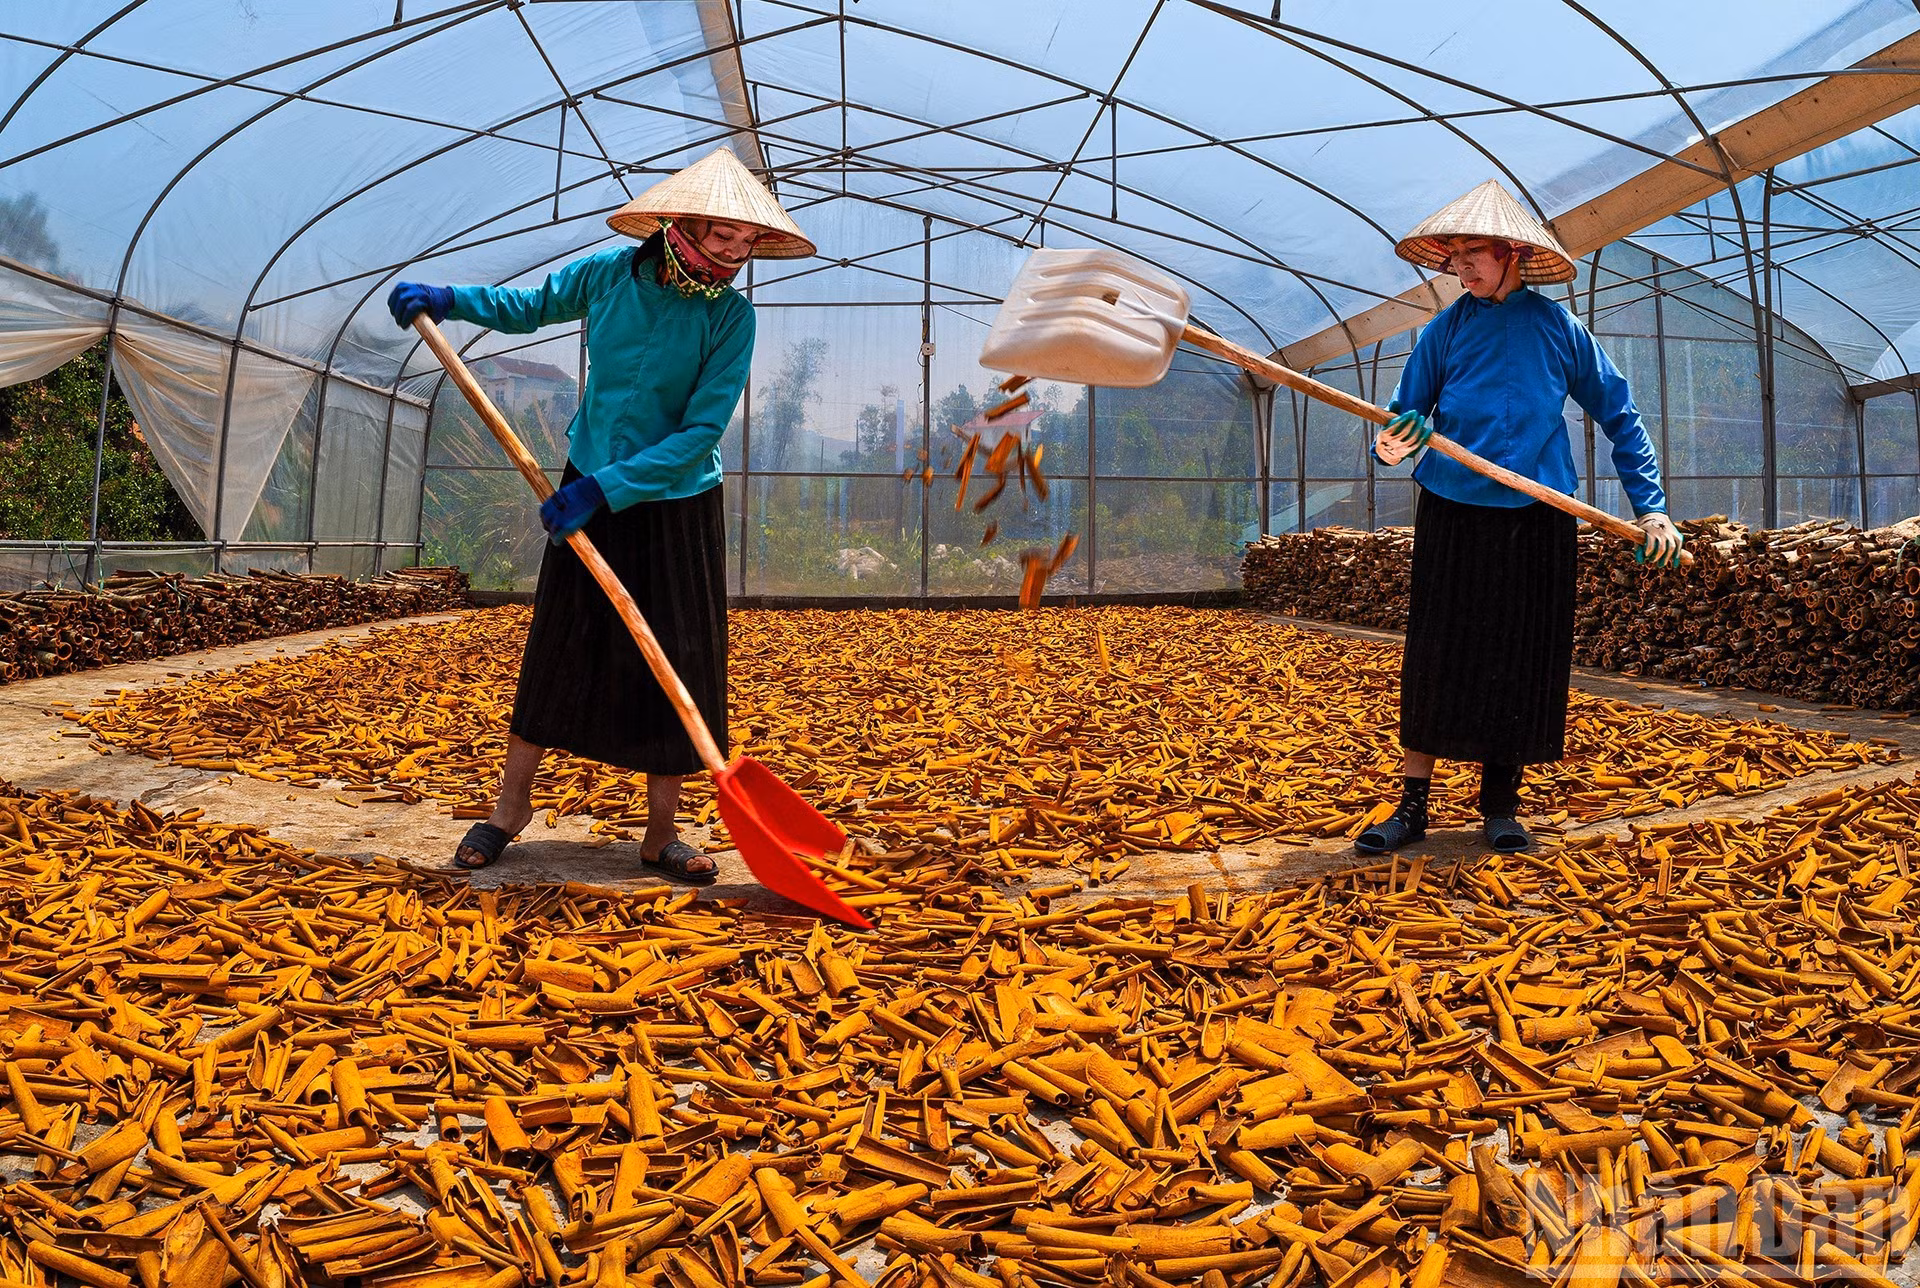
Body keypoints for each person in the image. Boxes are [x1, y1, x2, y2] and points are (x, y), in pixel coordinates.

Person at [386, 147, 813, 880]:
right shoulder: (609, 276)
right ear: (681, 225)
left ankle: (660, 832)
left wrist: (606, 489)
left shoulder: (732, 320)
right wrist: (449, 300)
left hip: (673, 500)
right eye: (722, 238)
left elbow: (699, 435)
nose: (734, 256)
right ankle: (508, 809)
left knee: (675, 657)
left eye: (746, 245)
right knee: (561, 641)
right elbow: (530, 307)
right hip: (587, 482)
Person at [1354, 180, 1683, 856]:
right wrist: (1395, 440)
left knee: (1516, 654)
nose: (1460, 267)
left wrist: (1652, 510)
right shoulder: (1444, 331)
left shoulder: (1558, 329)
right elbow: (1396, 425)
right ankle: (1412, 805)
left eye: (1473, 254)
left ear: (1510, 254)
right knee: (1436, 652)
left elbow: (1621, 415)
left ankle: (1500, 805)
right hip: (1451, 506)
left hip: (1536, 511)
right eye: (1453, 257)